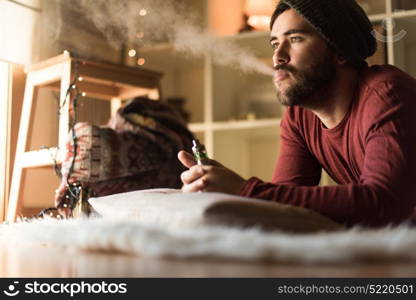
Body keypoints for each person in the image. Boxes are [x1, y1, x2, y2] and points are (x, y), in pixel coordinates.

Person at [178, 0, 416, 227]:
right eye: (274, 43)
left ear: (340, 51)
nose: (277, 57)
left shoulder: (387, 93)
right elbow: (285, 209)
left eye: (295, 39)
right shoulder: (299, 117)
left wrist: (243, 191)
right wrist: (224, 187)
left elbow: (384, 205)